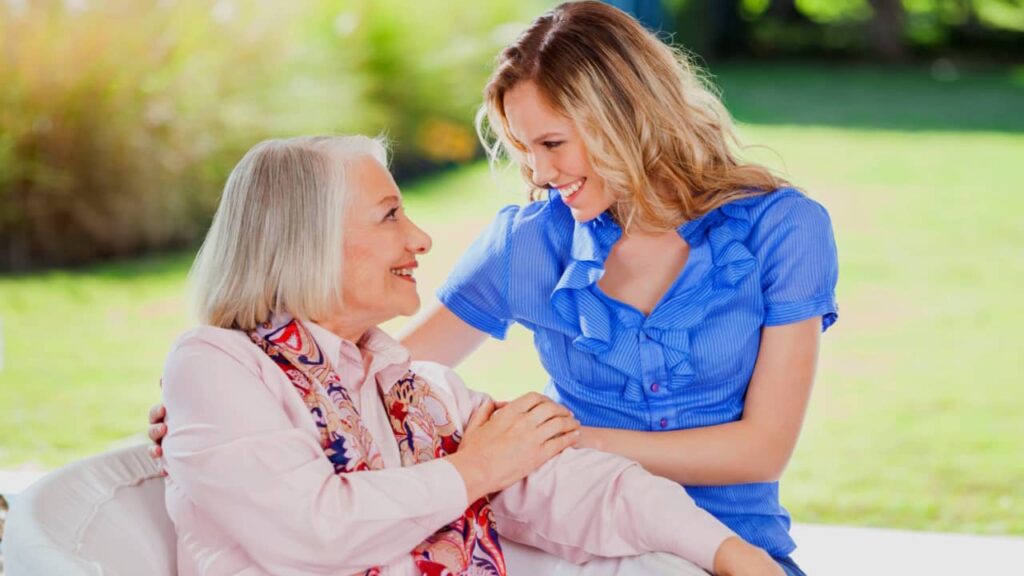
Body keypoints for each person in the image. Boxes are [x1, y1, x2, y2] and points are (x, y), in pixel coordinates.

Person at [157, 134, 781, 575]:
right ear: (307, 241)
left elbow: (571, 485)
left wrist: (731, 553)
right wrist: (474, 470)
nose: (420, 239)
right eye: (389, 215)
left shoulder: (411, 386)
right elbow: (313, 529)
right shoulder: (219, 365)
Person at [397, 3, 838, 575]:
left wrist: (570, 441)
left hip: (741, 555)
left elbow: (761, 450)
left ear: (624, 117)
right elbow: (394, 374)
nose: (537, 172)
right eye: (525, 148)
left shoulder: (782, 230)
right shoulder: (528, 244)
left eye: (552, 144)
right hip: (581, 549)